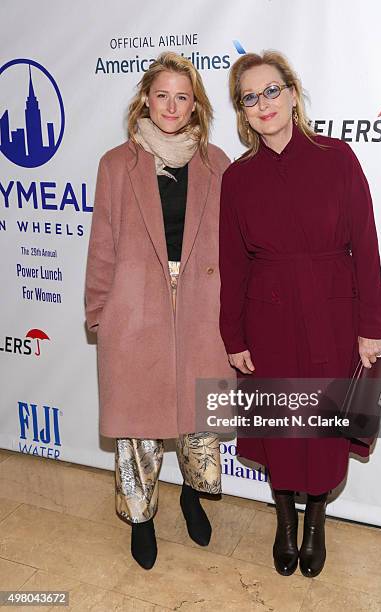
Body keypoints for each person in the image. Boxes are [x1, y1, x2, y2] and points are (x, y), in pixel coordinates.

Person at [219, 51, 381, 578]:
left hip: (334, 316)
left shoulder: (338, 157)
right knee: (280, 425)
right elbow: (232, 264)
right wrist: (233, 334)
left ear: (292, 94)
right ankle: (285, 519)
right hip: (266, 319)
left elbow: (366, 244)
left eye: (272, 91)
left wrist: (371, 326)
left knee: (322, 429)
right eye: (250, 97)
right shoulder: (238, 178)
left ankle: (316, 519)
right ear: (243, 112)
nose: (263, 104)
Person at [85, 51, 234, 570]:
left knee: (200, 421)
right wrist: (99, 312)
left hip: (202, 307)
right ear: (146, 99)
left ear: (196, 106)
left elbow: (234, 248)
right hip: (136, 308)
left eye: (183, 97)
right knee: (138, 427)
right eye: (163, 95)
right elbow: (102, 243)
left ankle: (195, 495)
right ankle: (141, 518)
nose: (172, 106)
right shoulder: (115, 164)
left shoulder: (218, 164)